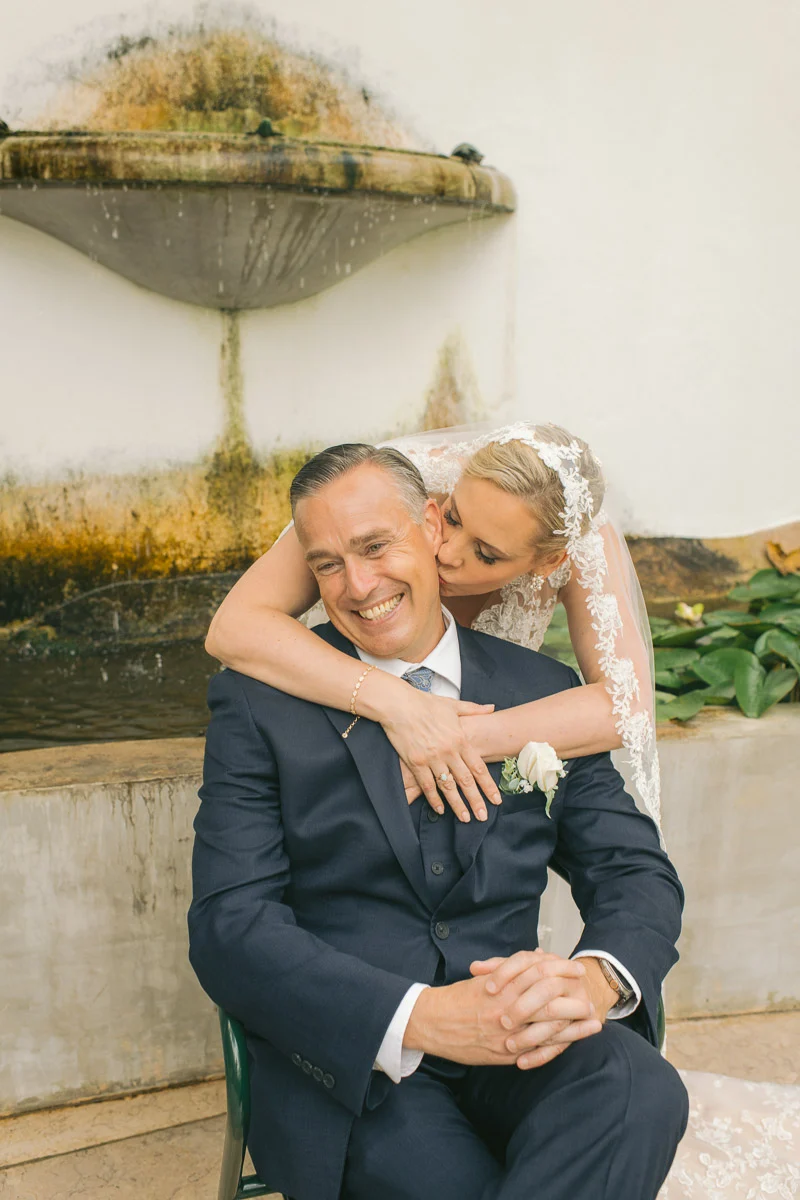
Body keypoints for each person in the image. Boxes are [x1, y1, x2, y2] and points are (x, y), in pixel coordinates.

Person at [189, 443, 688, 1200]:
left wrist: (590, 982)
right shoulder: (258, 704)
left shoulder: (540, 694)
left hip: (515, 1036)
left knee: (638, 1092)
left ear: (431, 524)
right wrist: (417, 1018)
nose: (357, 586)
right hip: (356, 1064)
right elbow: (229, 925)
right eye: (327, 565)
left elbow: (634, 871)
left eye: (376, 546)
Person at [205, 422, 662, 830]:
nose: (446, 552)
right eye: (452, 517)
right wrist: (398, 704)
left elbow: (628, 707)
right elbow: (233, 628)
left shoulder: (577, 545)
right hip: (328, 733)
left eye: (486, 554)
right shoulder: (389, 490)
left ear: (547, 563)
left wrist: (452, 737)